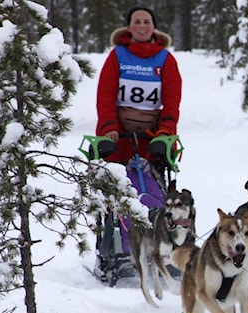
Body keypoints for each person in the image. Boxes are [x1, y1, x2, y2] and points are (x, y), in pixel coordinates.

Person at [92, 6, 183, 284]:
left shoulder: (165, 60)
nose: (142, 26)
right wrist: (108, 130)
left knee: (154, 190)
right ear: (129, 28)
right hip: (118, 137)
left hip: (151, 137)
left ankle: (162, 245)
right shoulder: (116, 57)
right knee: (119, 191)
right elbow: (105, 97)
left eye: (146, 22)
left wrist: (164, 133)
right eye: (136, 22)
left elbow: (171, 103)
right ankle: (119, 248)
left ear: (153, 27)